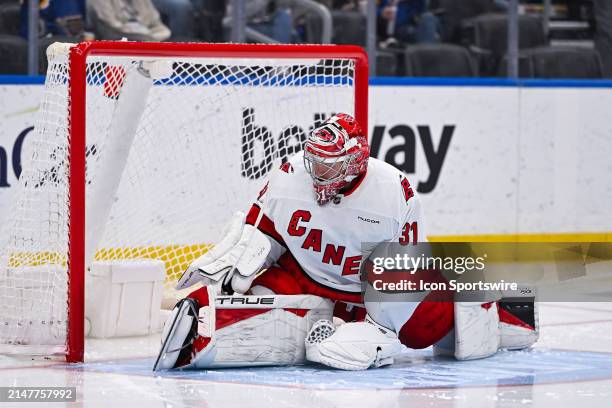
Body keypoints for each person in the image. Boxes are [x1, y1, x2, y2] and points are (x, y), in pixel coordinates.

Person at [154, 114, 538, 371]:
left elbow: (402, 272)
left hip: (365, 290)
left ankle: (498, 312)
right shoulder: (288, 177)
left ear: (355, 161)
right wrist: (235, 266)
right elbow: (262, 233)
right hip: (306, 274)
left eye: (329, 165)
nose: (317, 171)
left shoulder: (393, 192)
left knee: (423, 330)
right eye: (314, 161)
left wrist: (379, 330)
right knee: (259, 292)